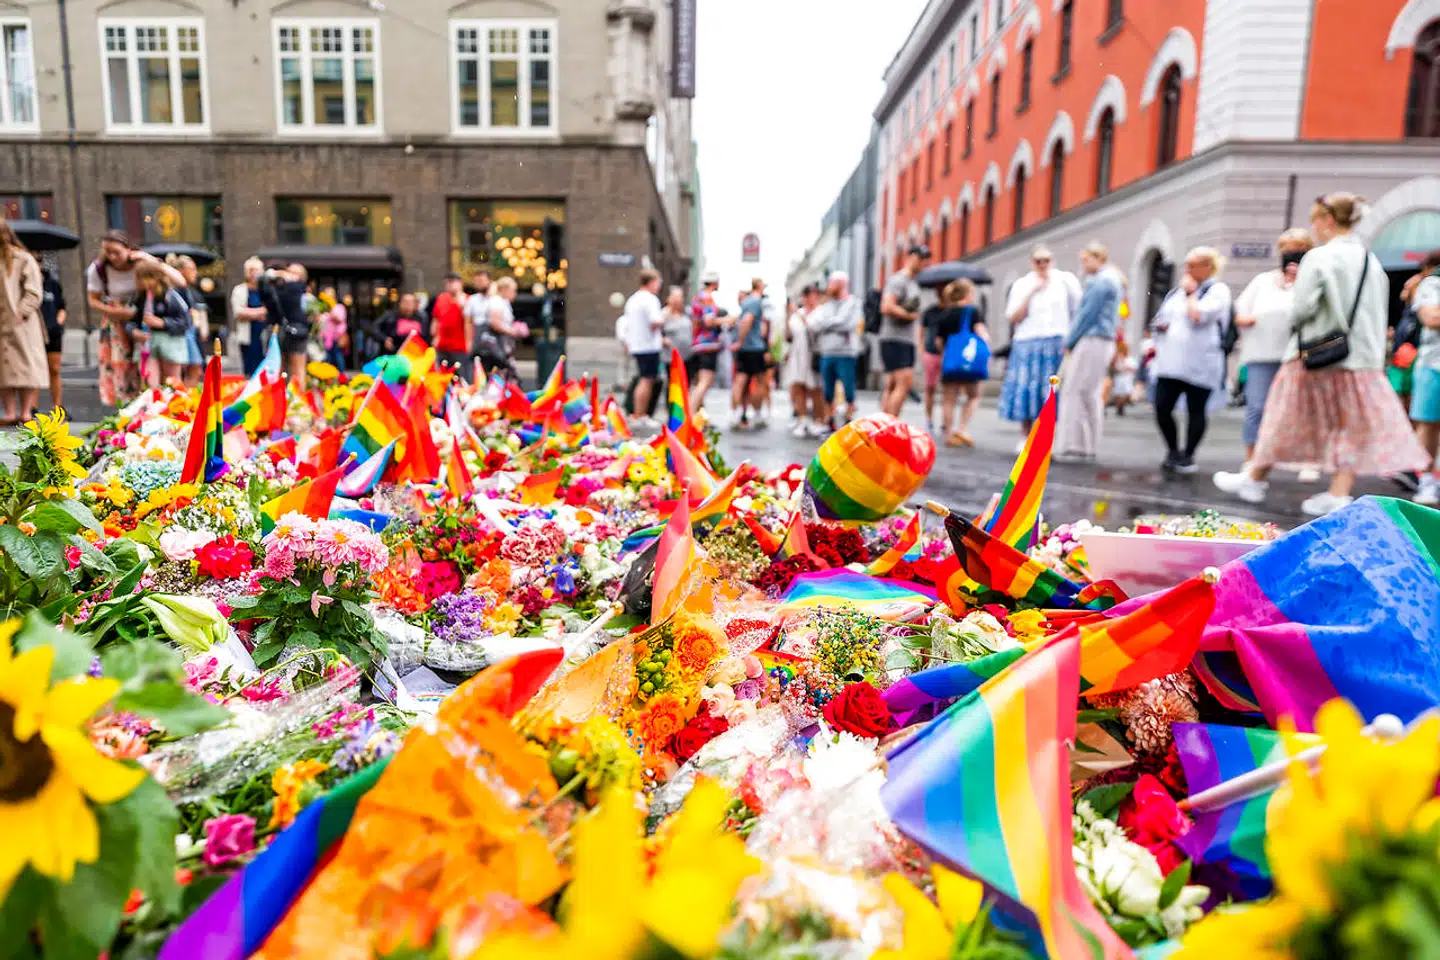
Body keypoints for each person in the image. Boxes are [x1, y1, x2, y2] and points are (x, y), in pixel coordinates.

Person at [1215, 192, 1429, 515]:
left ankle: (1255, 478)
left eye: (1315, 219)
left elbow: (1302, 310)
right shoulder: (1371, 261)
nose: (1314, 226)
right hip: (1362, 360)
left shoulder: (1319, 257)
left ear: (1328, 220)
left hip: (1318, 354)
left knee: (1282, 417)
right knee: (1350, 425)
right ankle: (1338, 493)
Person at [1230, 229, 1314, 466]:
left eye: (1298, 247)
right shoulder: (1263, 281)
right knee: (1256, 408)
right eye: (1287, 248)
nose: (1292, 253)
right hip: (1262, 353)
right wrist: (1246, 320)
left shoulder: (1311, 280)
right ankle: (1252, 461)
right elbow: (1239, 311)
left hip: (1298, 356)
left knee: (1298, 410)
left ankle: (1300, 459)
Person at [1150, 247, 1231, 474]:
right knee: (1162, 407)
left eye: (1192, 266)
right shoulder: (1176, 293)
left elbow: (1198, 316)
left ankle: (1188, 455)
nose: (1187, 271)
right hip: (1171, 363)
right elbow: (1161, 320)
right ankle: (1173, 451)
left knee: (1196, 410)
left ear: (1207, 267)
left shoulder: (1217, 291)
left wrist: (1190, 294)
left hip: (1200, 363)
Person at [88, 231, 184, 403]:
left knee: (151, 368)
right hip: (117, 321)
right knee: (121, 366)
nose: (112, 256)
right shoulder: (99, 269)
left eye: (116, 251)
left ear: (128, 249)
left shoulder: (142, 264)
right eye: (107, 252)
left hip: (145, 320)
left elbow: (179, 281)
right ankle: (127, 406)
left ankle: (159, 405)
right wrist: (118, 312)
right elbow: (93, 301)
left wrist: (148, 258)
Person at [999, 246, 1081, 448]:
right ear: (1032, 262)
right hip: (1027, 340)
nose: (1043, 265)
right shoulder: (1022, 284)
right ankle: (1025, 435)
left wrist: (1072, 339)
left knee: (1051, 391)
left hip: (1055, 340)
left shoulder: (1065, 280)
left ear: (1052, 260)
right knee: (1026, 388)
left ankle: (1047, 437)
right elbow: (1012, 316)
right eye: (1038, 261)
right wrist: (1032, 292)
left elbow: (1077, 310)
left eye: (1046, 260)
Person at [1056, 243, 1123, 462]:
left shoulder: (1100, 282)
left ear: (1098, 258)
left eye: (1085, 260)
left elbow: (1085, 315)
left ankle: (1073, 444)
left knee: (1074, 391)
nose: (1083, 265)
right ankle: (1087, 444)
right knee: (1090, 393)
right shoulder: (1111, 280)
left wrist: (1070, 340)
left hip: (1092, 339)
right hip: (1102, 340)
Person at [931, 279, 989, 447]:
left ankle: (948, 434)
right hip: (970, 362)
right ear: (967, 294)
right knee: (974, 395)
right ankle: (962, 428)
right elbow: (982, 334)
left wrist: (946, 355)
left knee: (948, 399)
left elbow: (938, 342)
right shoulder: (972, 312)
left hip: (951, 362)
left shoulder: (945, 314)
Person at [0, 220, 46, 424]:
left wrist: (22, 312)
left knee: (26, 364)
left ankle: (26, 411)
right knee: (3, 367)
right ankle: (9, 412)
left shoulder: (23, 258)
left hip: (21, 322)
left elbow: (34, 291)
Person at [1406, 251, 1440, 504]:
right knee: (1428, 424)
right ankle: (1426, 481)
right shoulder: (1431, 284)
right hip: (1433, 364)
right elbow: (1431, 317)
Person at [810, 271, 864, 429]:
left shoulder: (854, 303)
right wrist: (836, 323)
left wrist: (827, 324)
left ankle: (848, 421)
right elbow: (815, 324)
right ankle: (830, 421)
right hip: (827, 352)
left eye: (832, 283)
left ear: (841, 284)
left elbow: (849, 324)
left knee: (848, 388)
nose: (829, 287)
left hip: (846, 352)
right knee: (827, 390)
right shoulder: (826, 305)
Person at [879, 245, 928, 416]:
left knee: (893, 385)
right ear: (910, 257)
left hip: (902, 339)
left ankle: (883, 429)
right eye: (920, 258)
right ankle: (889, 427)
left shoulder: (913, 282)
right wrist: (909, 315)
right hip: (895, 338)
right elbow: (886, 306)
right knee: (904, 383)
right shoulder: (899, 280)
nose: (923, 263)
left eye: (925, 259)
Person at [134, 260, 194, 388]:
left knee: (171, 382)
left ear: (157, 277)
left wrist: (162, 323)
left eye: (146, 277)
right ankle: (154, 404)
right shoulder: (141, 297)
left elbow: (186, 322)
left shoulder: (171, 296)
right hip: (148, 343)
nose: (142, 282)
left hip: (170, 343)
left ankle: (174, 406)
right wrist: (134, 331)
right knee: (151, 383)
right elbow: (133, 320)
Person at [623, 269, 665, 426]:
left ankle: (638, 414)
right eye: (658, 283)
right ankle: (640, 415)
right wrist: (665, 317)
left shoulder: (633, 299)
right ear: (652, 282)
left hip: (638, 344)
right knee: (647, 379)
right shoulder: (650, 299)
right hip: (648, 345)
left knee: (644, 378)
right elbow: (655, 321)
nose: (659, 286)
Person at [262, 263, 312, 383]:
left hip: (296, 332)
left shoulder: (297, 288)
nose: (288, 274)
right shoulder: (279, 289)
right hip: (280, 331)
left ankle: (297, 399)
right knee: (278, 367)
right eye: (288, 271)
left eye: (293, 273)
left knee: (297, 369)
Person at [784, 284, 823, 437]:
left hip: (813, 355)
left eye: (811, 295)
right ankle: (802, 419)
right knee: (798, 387)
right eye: (805, 295)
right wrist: (788, 315)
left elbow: (813, 328)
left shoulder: (820, 313)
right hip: (797, 355)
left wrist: (799, 315)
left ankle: (818, 420)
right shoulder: (796, 314)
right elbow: (789, 336)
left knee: (815, 389)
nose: (808, 299)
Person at [732, 278, 769, 429]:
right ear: (759, 286)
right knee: (760, 382)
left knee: (742, 381)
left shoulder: (746, 301)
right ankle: (757, 412)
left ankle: (739, 412)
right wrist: (740, 341)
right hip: (754, 347)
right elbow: (747, 320)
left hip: (745, 348)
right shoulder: (755, 301)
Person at [475, 277, 526, 380]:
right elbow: (495, 323)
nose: (515, 294)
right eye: (513, 291)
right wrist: (513, 331)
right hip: (497, 348)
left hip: (502, 348)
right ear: (504, 289)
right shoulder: (496, 301)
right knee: (505, 377)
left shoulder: (502, 302)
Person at [688, 272, 725, 411]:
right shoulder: (707, 298)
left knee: (699, 382)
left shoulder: (698, 297)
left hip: (698, 343)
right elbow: (709, 321)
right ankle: (691, 416)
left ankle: (699, 417)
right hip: (707, 344)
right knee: (705, 382)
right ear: (715, 283)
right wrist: (728, 320)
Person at [231, 257, 271, 376]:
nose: (254, 273)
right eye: (251, 270)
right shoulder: (240, 290)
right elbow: (238, 312)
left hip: (265, 334)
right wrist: (260, 312)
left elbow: (271, 310)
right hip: (248, 335)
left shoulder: (266, 290)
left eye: (257, 270)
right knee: (250, 369)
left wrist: (250, 312)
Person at [171, 255, 207, 387]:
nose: (195, 273)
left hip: (190, 333)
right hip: (182, 333)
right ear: (180, 271)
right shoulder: (174, 290)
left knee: (195, 369)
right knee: (189, 369)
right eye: (191, 269)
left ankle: (187, 400)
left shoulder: (189, 291)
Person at [431, 273, 472, 372]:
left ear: (460, 283)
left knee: (462, 375)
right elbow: (436, 319)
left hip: (460, 346)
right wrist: (435, 336)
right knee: (442, 375)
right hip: (442, 345)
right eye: (447, 283)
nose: (449, 285)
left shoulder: (468, 299)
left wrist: (469, 343)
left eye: (452, 282)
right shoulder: (441, 298)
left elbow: (470, 323)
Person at [40, 260, 65, 413]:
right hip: (34, 332)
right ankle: (32, 408)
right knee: (34, 371)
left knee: (54, 369)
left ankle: (57, 406)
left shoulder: (52, 284)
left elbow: (62, 307)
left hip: (53, 332)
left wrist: (57, 324)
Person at [464, 269, 494, 372]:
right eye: (477, 281)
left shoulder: (496, 299)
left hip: (494, 337)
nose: (479, 284)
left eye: (481, 281)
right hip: (478, 338)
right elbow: (468, 322)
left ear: (489, 281)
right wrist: (469, 342)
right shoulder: (472, 300)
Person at [661, 285, 693, 378]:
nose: (678, 300)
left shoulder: (687, 313)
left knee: (685, 383)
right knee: (673, 384)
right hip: (671, 357)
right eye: (675, 297)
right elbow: (656, 332)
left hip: (687, 355)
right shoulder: (663, 314)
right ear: (669, 298)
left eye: (680, 297)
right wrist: (663, 339)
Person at [318, 287, 349, 370]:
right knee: (327, 359)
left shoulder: (339, 307)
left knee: (338, 358)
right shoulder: (323, 309)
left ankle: (341, 377)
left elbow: (339, 318)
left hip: (337, 337)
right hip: (326, 338)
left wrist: (331, 308)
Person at [1108, 338, 1137, 416]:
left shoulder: (1129, 359)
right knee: (1118, 394)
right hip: (1119, 378)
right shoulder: (1117, 359)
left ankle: (1121, 406)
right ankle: (1119, 408)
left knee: (1126, 393)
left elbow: (1134, 369)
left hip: (1127, 378)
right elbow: (1114, 368)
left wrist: (1125, 367)